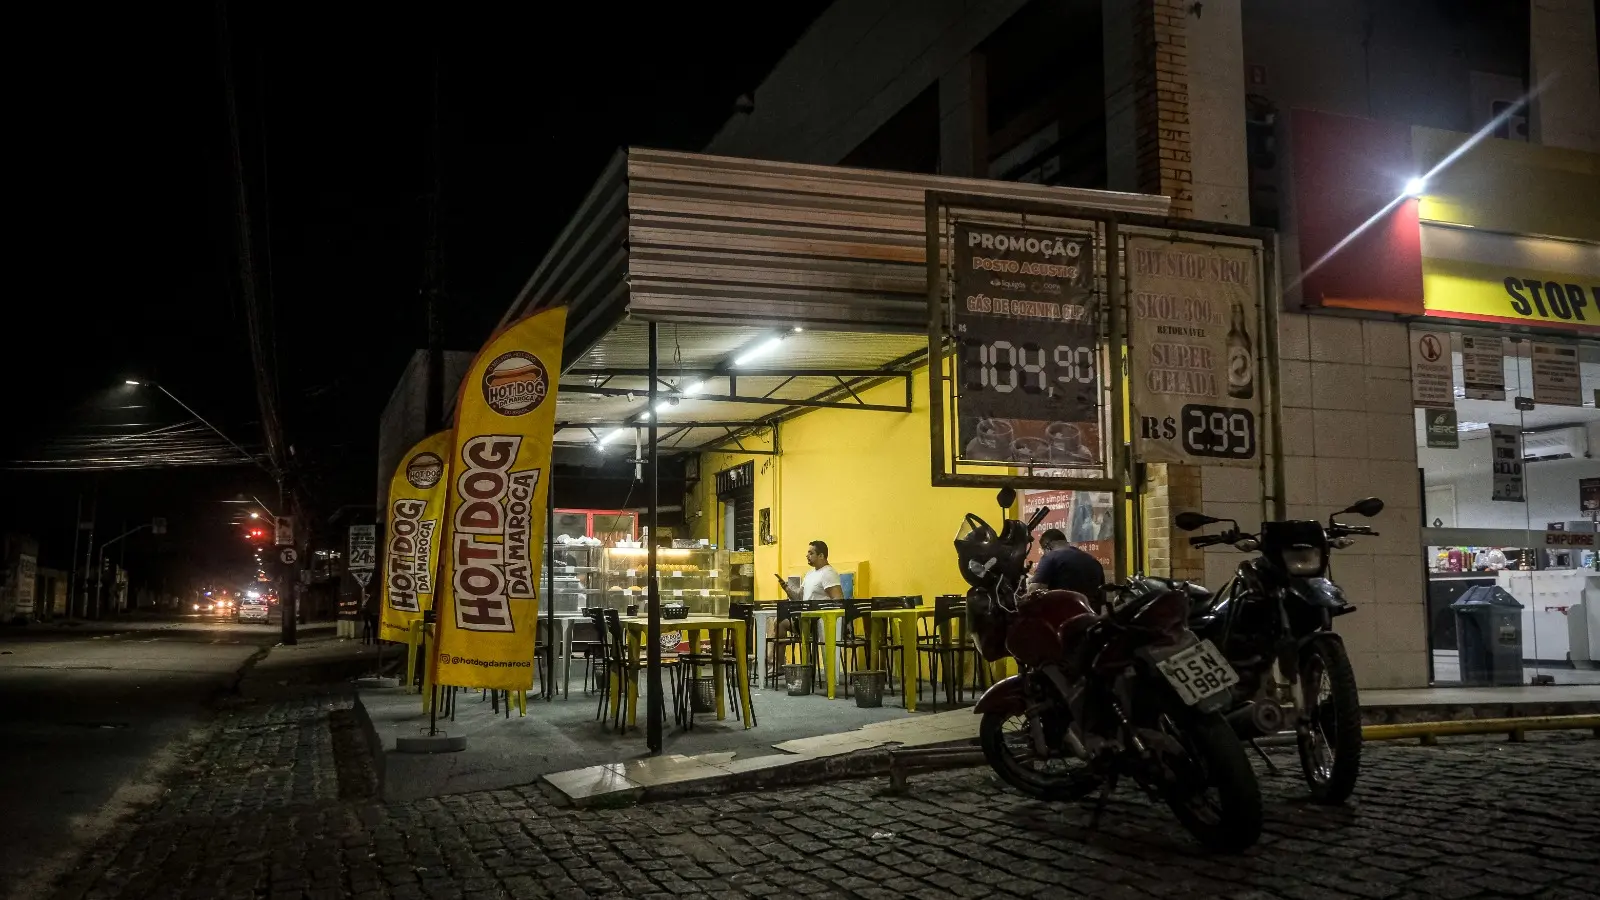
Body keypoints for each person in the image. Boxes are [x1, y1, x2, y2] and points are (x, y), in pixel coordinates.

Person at [1030, 528, 1106, 601]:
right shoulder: (1092, 560)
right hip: (1090, 612)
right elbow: (1102, 595)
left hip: (1064, 611)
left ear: (1047, 547)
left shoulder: (1050, 557)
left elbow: (1034, 591)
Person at [775, 540, 845, 604]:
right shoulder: (809, 573)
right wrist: (786, 588)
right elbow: (799, 598)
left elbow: (838, 601)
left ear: (821, 556)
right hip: (807, 617)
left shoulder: (828, 573)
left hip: (821, 618)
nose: (807, 556)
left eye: (811, 553)